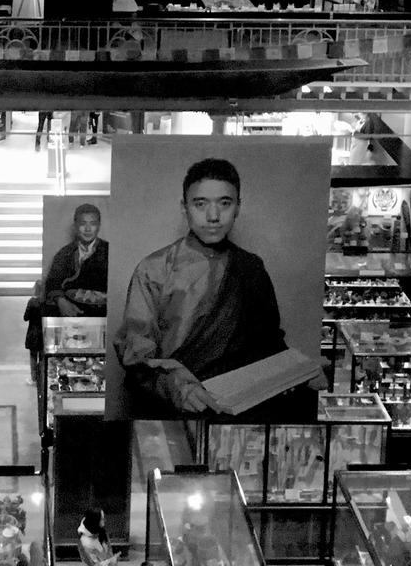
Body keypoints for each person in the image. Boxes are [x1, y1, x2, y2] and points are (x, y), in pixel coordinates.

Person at [114, 158, 317, 418]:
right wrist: (178, 388)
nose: (213, 216)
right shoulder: (154, 269)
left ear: (238, 208)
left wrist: (300, 374)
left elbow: (269, 346)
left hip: (242, 411)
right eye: (200, 204)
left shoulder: (250, 267)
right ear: (184, 208)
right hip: (173, 410)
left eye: (224, 203)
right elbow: (137, 354)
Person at [41, 204, 109, 318]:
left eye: (93, 224)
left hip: (102, 310)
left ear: (99, 226)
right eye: (83, 224)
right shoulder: (65, 252)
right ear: (75, 225)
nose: (88, 229)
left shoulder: (108, 250)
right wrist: (61, 301)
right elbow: (52, 281)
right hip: (70, 307)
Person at [23, 280, 45, 385]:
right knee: (42, 357)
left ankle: (34, 379)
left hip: (33, 333)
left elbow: (25, 318)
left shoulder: (32, 301)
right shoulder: (45, 301)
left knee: (33, 357)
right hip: (43, 333)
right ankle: (42, 378)